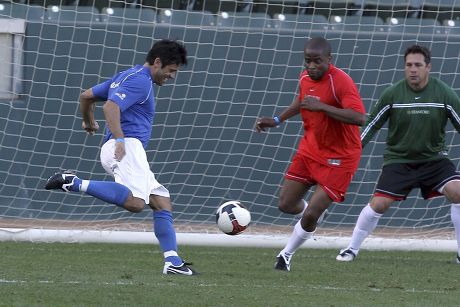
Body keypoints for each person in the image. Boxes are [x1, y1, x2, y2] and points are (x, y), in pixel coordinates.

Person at [45, 39, 197, 275]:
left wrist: (87, 121)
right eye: (171, 71)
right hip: (127, 146)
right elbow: (110, 107)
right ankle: (72, 182)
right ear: (157, 62)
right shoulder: (139, 81)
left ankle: (173, 262)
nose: (172, 76)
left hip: (125, 147)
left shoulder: (128, 75)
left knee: (161, 201)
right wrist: (120, 139)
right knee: (136, 203)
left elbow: (86, 96)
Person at [336, 45, 460, 264]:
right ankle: (351, 249)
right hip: (399, 161)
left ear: (428, 67)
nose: (413, 70)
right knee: (379, 204)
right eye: (409, 65)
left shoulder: (443, 93)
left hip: (435, 161)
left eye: (418, 65)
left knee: (458, 192)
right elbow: (371, 125)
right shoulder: (393, 93)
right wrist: (350, 153)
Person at [255, 37, 366, 271]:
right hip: (311, 149)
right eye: (308, 61)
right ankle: (311, 213)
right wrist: (277, 119)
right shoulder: (305, 77)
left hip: (340, 157)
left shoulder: (341, 82)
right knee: (286, 204)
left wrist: (323, 107)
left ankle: (285, 255)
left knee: (311, 216)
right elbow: (303, 101)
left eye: (318, 61)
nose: (312, 66)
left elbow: (359, 117)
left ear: (329, 60)